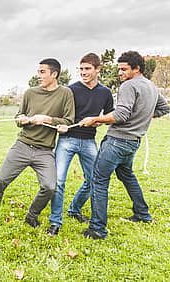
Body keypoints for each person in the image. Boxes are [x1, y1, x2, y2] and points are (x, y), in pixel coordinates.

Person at [79, 51, 170, 239]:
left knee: (99, 181)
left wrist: (95, 119)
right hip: (133, 143)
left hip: (117, 142)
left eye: (124, 69)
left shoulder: (129, 86)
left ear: (136, 69)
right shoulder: (151, 86)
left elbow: (120, 116)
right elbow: (164, 108)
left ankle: (97, 229)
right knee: (127, 175)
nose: (120, 73)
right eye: (119, 68)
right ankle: (142, 214)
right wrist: (140, 117)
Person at [0, 58, 75, 234]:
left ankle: (32, 215)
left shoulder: (65, 93)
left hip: (45, 151)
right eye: (38, 72)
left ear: (54, 74)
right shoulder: (30, 93)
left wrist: (47, 119)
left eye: (42, 72)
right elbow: (18, 116)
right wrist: (21, 119)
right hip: (22, 145)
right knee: (0, 181)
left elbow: (68, 121)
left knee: (49, 187)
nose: (38, 76)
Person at [47, 53, 114, 236]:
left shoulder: (105, 93)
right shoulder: (70, 90)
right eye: (81, 69)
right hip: (67, 140)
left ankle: (74, 209)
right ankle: (55, 222)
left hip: (89, 141)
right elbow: (60, 115)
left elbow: (109, 117)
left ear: (98, 69)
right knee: (59, 181)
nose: (83, 72)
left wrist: (97, 121)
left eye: (87, 69)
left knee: (94, 180)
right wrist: (61, 126)